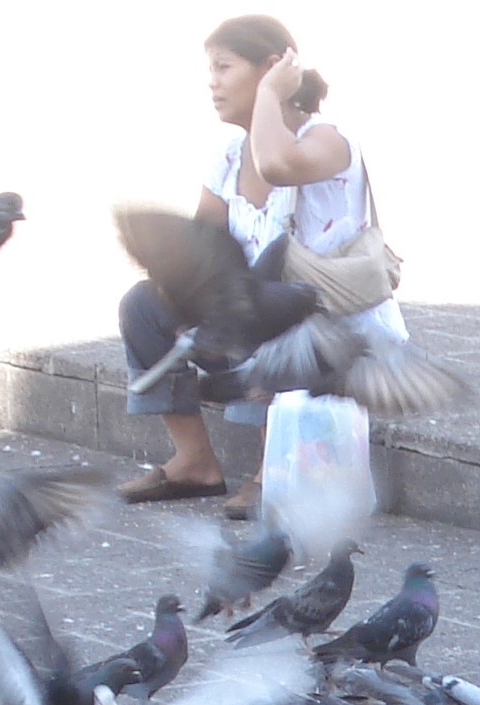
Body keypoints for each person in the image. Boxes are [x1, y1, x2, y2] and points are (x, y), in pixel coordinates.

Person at [114, 15, 412, 519]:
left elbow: (277, 165)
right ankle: (195, 462)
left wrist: (274, 95)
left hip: (330, 333)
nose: (212, 81)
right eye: (210, 69)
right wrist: (186, 302)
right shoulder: (228, 157)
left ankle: (268, 470)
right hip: (257, 317)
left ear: (273, 69)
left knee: (265, 309)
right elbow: (199, 249)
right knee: (145, 305)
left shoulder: (328, 141)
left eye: (224, 67)